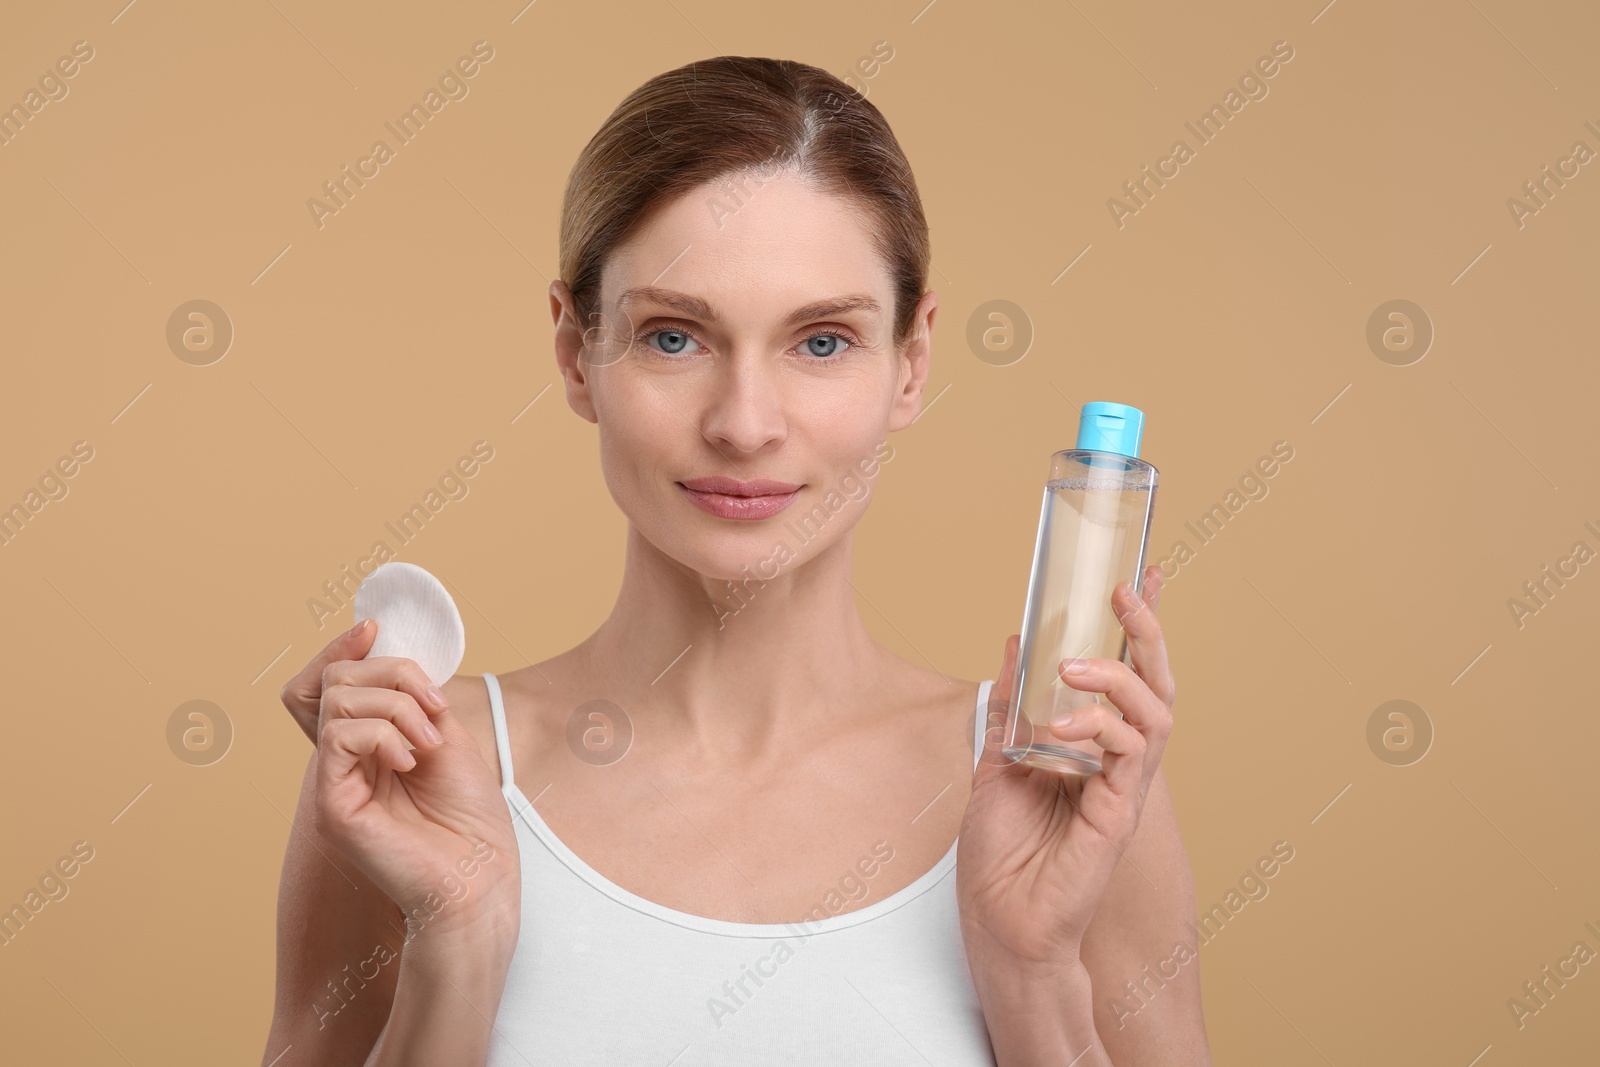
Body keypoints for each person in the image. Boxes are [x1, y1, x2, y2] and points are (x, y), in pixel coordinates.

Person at [262, 56, 1209, 1066]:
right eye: (674, 338)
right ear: (575, 351)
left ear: (911, 363)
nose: (744, 424)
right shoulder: (413, 777)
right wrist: (457, 941)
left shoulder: (1063, 788)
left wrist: (1030, 973)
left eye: (821, 342)